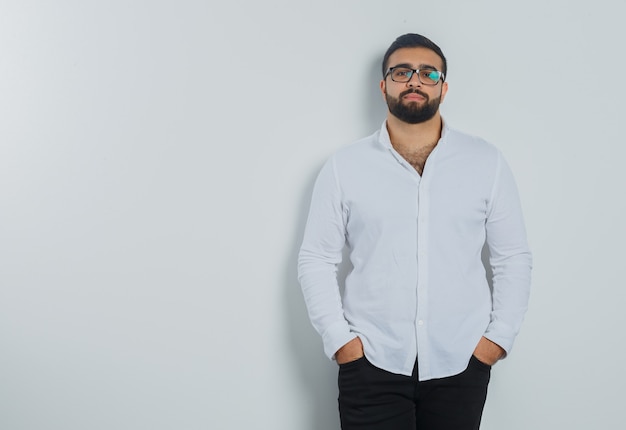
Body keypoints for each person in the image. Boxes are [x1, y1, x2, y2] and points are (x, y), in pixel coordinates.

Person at [297, 33, 532, 430]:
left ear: (443, 85)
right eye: (402, 71)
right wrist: (341, 342)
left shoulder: (485, 162)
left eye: (428, 72)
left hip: (460, 363)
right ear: (384, 84)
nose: (415, 81)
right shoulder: (345, 166)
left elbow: (513, 258)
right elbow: (316, 259)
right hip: (371, 361)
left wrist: (496, 342)